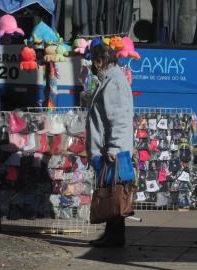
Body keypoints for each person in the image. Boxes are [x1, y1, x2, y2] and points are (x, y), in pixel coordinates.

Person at [86, 42, 134, 247]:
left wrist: (113, 148)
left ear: (100, 61)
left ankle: (115, 237)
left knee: (113, 192)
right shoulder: (110, 79)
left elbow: (119, 118)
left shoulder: (113, 81)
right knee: (110, 191)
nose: (91, 66)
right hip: (109, 148)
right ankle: (112, 234)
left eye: (93, 61)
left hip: (112, 150)